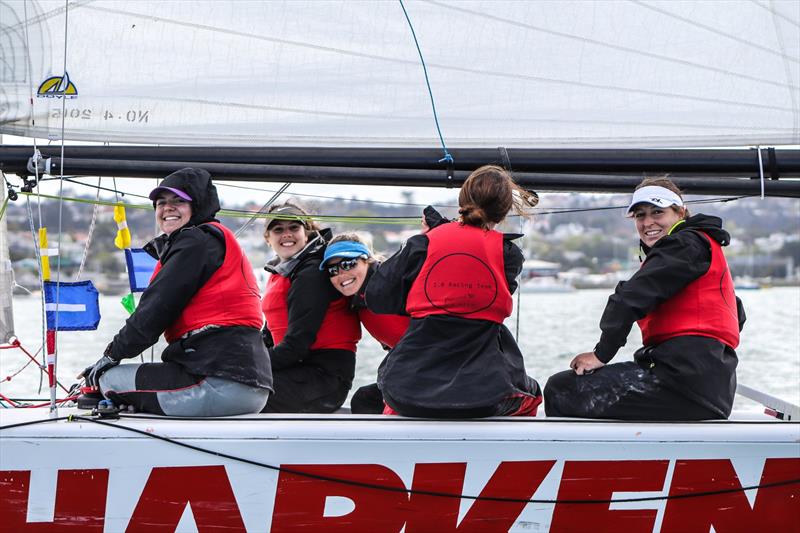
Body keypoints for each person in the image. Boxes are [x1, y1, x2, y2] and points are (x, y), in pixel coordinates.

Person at [544, 177, 746, 420]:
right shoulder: (701, 247)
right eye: (640, 215)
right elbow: (737, 315)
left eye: (657, 212)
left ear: (680, 212)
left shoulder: (685, 244)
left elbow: (627, 300)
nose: (648, 222)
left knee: (561, 389)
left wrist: (600, 355)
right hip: (711, 386)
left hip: (683, 383)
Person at [80, 168, 271, 416]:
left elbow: (156, 308)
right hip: (251, 386)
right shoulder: (211, 241)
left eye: (179, 201)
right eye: (161, 203)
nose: (167, 208)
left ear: (198, 206)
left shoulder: (195, 241)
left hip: (215, 383)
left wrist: (110, 356)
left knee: (109, 380)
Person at [365, 165, 543, 418]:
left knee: (387, 400)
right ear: (504, 210)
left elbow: (377, 299)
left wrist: (433, 237)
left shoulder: (422, 244)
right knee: (533, 394)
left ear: (462, 200)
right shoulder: (509, 256)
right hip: (484, 395)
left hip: (406, 391)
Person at [260, 201, 361, 413]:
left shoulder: (311, 273)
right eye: (278, 229)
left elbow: (297, 345)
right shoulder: (285, 270)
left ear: (306, 232)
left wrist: (248, 366)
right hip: (295, 370)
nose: (286, 234)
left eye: (293, 228)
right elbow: (268, 334)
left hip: (322, 379)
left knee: (237, 391)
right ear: (268, 239)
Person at [319, 233, 411, 414]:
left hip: (431, 364)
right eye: (333, 270)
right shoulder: (357, 297)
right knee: (365, 400)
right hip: (407, 364)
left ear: (366, 260)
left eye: (348, 264)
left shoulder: (393, 282)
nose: (341, 274)